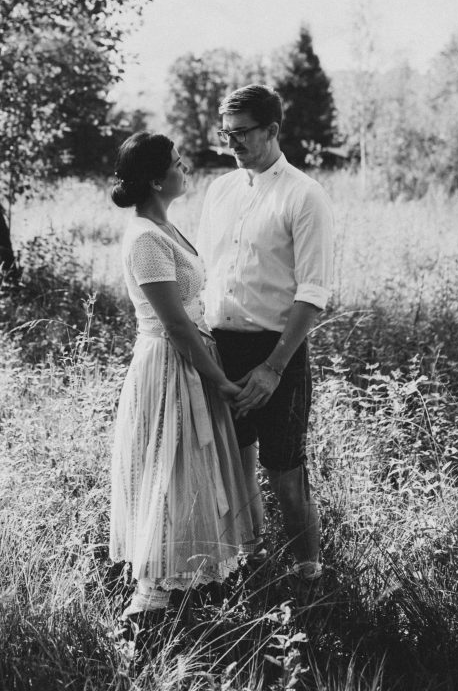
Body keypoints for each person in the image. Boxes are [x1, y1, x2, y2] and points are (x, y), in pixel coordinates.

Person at [109, 132, 255, 619]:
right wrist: (221, 380)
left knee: (188, 465)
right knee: (167, 465)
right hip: (170, 364)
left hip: (189, 357)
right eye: (176, 162)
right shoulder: (145, 239)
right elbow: (175, 326)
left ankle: (182, 576)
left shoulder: (166, 227)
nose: (185, 166)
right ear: (156, 179)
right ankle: (149, 597)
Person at [197, 84, 333, 599]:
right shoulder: (220, 191)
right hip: (220, 351)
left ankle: (309, 579)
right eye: (225, 133)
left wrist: (273, 366)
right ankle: (248, 562)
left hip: (277, 354)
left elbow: (313, 293)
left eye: (243, 133)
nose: (232, 143)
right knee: (233, 468)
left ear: (273, 130)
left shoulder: (303, 195)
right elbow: (208, 271)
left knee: (285, 473)